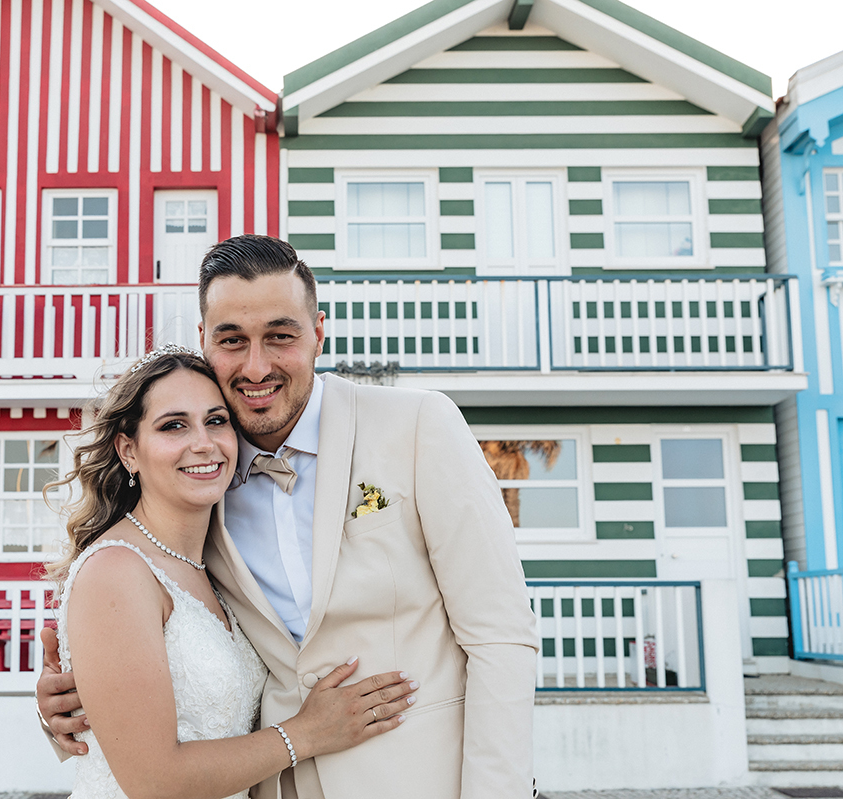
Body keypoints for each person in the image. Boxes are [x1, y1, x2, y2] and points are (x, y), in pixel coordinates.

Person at [39, 235, 540, 799]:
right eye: (232, 340)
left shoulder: (420, 425)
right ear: (205, 342)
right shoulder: (201, 486)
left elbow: (501, 638)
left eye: (280, 336)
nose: (257, 367)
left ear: (318, 333)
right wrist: (71, 709)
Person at [46, 344, 417, 799]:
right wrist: (308, 733)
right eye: (174, 425)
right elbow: (154, 782)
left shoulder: (219, 565)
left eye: (216, 420)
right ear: (129, 450)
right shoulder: (117, 571)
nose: (203, 442)